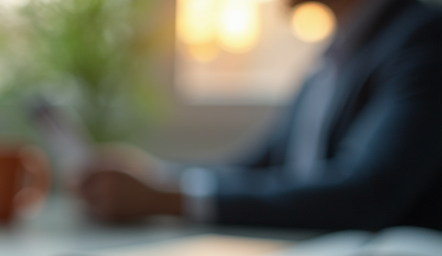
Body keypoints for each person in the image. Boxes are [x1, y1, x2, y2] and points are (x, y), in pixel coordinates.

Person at [77, 0, 442, 231]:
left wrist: (168, 199)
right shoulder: (332, 58)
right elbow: (256, 167)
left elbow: (367, 194)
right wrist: (152, 177)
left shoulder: (424, 39)